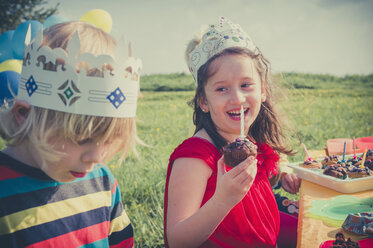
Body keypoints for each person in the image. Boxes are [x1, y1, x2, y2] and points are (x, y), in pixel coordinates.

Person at [0, 21, 142, 247]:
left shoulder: (102, 180)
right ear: (24, 115)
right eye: (80, 138)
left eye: (107, 139)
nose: (96, 157)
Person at [164, 17, 298, 247]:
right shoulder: (195, 157)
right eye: (222, 88)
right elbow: (177, 240)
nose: (237, 98)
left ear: (263, 90)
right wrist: (223, 200)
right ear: (203, 101)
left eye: (246, 85)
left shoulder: (250, 141)